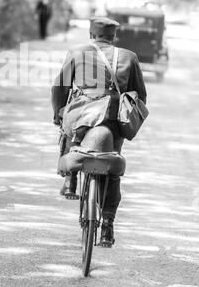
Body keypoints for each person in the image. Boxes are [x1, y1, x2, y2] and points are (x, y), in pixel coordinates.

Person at [51, 17, 147, 247]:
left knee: (68, 126)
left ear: (91, 34)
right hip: (114, 119)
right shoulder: (128, 57)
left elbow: (60, 87)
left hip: (82, 115)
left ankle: (70, 179)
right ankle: (107, 226)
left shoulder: (76, 51)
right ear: (114, 37)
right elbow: (140, 95)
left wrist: (59, 112)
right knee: (112, 166)